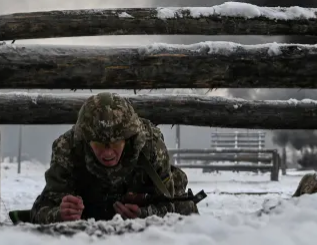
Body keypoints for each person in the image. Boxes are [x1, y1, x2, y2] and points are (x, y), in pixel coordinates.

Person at [29, 92, 198, 223]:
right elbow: (39, 211)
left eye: (116, 143)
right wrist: (60, 214)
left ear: (129, 139)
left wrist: (144, 214)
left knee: (186, 209)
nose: (108, 153)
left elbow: (170, 205)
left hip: (145, 221)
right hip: (86, 222)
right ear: (86, 141)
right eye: (99, 144)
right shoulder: (67, 149)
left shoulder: (150, 146)